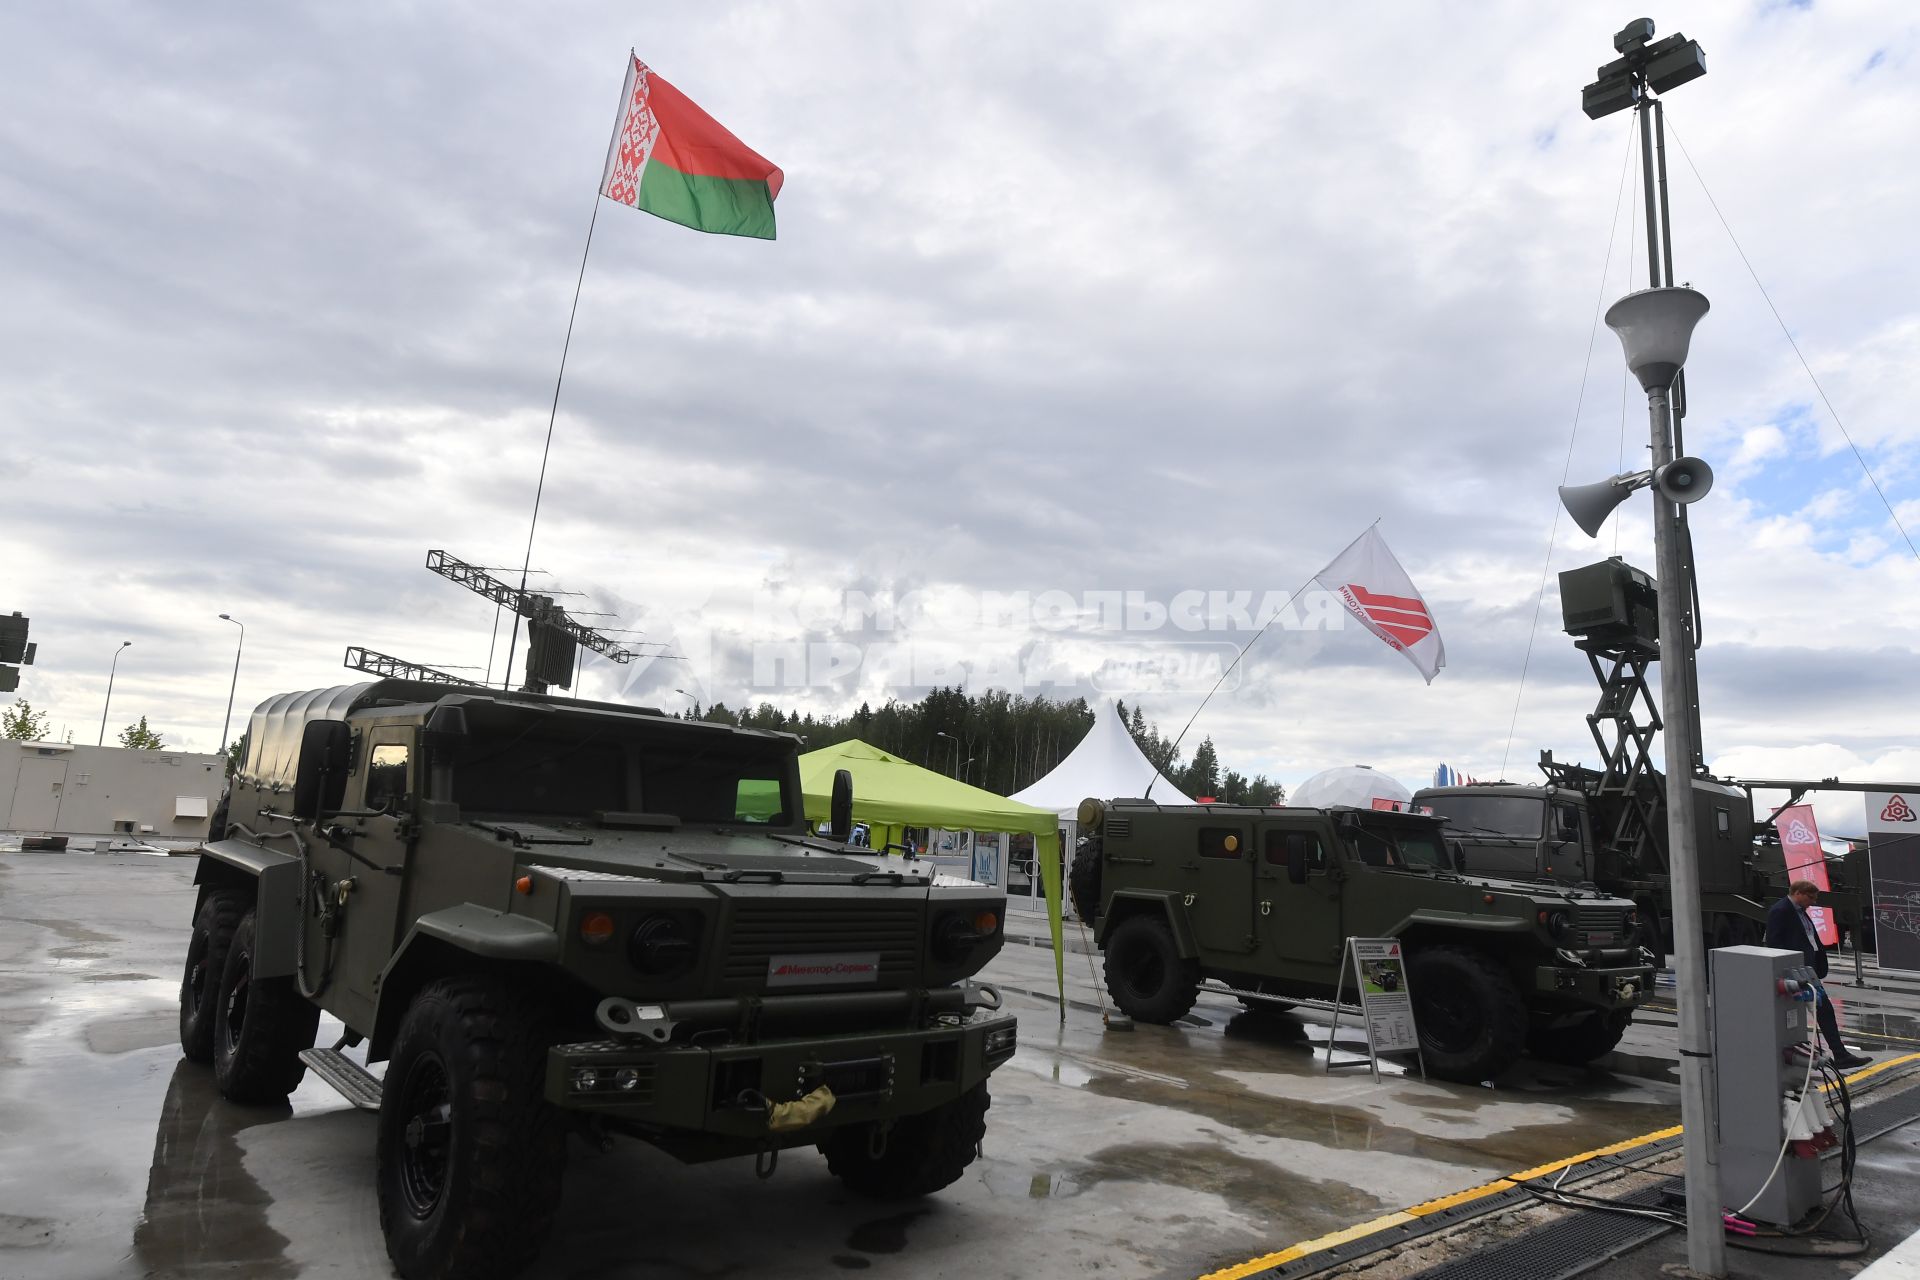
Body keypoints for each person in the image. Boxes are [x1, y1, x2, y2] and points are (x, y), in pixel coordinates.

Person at [1764, 880, 1872, 1068]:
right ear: (1798, 893)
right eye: (1810, 897)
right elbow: (1774, 943)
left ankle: (1840, 1055)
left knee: (1824, 1011)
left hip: (1807, 970)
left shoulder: (1800, 912)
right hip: (1796, 972)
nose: (1813, 902)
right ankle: (1837, 1055)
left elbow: (1810, 938)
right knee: (1817, 1011)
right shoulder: (1780, 911)